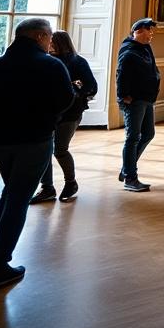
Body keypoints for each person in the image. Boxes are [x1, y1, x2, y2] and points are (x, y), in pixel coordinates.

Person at [0, 18, 74, 290]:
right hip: (35, 139)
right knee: (18, 198)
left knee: (10, 193)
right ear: (40, 36)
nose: (51, 42)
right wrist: (43, 114)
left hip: (1, 139)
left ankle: (0, 257)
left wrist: (10, 113)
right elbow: (66, 99)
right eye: (49, 37)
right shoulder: (51, 65)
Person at [30, 30, 97, 204]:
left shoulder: (77, 61)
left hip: (70, 113)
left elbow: (91, 86)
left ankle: (70, 183)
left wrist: (73, 91)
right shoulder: (46, 61)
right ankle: (47, 187)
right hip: (48, 112)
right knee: (45, 150)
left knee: (59, 149)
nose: (49, 44)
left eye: (52, 41)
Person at [116, 18, 160, 192]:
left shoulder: (145, 48)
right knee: (132, 137)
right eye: (149, 31)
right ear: (139, 31)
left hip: (147, 98)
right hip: (134, 100)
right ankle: (130, 177)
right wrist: (124, 96)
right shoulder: (128, 51)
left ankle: (126, 168)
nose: (151, 35)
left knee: (148, 133)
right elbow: (121, 75)